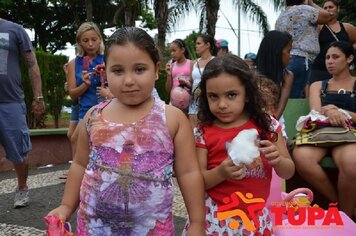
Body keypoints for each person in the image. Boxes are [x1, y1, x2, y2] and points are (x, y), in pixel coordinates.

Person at [48, 27, 205, 235]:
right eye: (118, 71)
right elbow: (79, 164)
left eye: (139, 69)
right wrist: (66, 206)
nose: (129, 80)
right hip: (94, 227)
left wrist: (196, 222)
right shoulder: (93, 116)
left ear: (157, 69)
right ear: (106, 71)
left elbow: (189, 172)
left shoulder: (173, 118)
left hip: (151, 229)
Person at [191, 54, 295, 234]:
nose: (222, 104)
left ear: (247, 94)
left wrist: (278, 160)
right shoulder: (203, 132)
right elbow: (197, 182)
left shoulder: (267, 126)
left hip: (256, 217)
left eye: (231, 95)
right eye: (213, 97)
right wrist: (221, 172)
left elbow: (288, 171)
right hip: (215, 218)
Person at [293, 41, 356, 218]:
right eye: (328, 57)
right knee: (301, 156)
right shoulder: (318, 85)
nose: (330, 61)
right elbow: (315, 111)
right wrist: (330, 110)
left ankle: (345, 215)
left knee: (352, 163)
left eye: (336, 57)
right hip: (321, 133)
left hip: (349, 135)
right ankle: (340, 206)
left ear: (349, 58)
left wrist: (343, 113)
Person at [0, 19, 45, 208]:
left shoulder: (15, 30)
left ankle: (22, 186)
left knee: (19, 152)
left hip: (10, 101)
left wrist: (38, 97)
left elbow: (31, 65)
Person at [66, 22, 107, 162]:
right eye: (85, 40)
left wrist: (105, 75)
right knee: (75, 138)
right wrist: (85, 84)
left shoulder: (108, 60)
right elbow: (72, 94)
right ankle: (78, 170)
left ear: (100, 39)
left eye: (94, 40)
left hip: (106, 107)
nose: (90, 44)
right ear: (79, 43)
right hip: (85, 108)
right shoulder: (73, 63)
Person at [275, 0, 332, 98]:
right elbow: (328, 16)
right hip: (301, 59)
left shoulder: (282, 15)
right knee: (295, 96)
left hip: (286, 59)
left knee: (287, 94)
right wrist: (311, 3)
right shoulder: (304, 9)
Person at [311, 0, 356, 84]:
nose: (328, 10)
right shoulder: (319, 27)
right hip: (320, 69)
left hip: (342, 70)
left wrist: (351, 51)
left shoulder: (347, 27)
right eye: (325, 8)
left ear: (338, 9)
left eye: (331, 7)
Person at [256, 30, 294, 120]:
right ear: (277, 52)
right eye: (288, 51)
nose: (290, 56)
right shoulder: (251, 75)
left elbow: (281, 107)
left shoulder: (287, 76)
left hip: (274, 120)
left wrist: (271, 124)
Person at [189, 34, 216, 128]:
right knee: (193, 130)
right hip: (194, 101)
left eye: (198, 43)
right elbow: (191, 82)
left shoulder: (215, 61)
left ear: (207, 45)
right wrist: (186, 83)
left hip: (207, 101)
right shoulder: (194, 63)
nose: (196, 46)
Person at [165, 39, 194, 113]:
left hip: (189, 103)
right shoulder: (172, 66)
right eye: (171, 51)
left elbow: (195, 86)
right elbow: (168, 90)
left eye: (174, 50)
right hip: (174, 102)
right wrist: (168, 74)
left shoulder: (191, 64)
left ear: (182, 50)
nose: (172, 54)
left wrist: (186, 83)